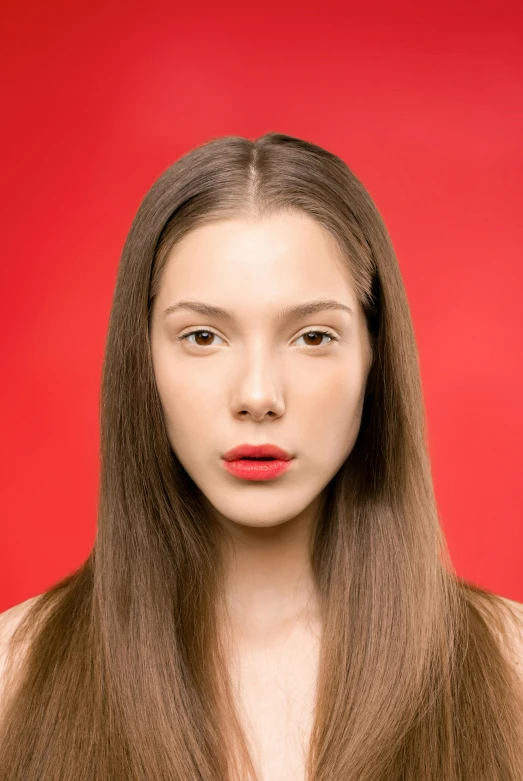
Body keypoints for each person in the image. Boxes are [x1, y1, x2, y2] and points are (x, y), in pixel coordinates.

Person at [0, 132, 522, 781]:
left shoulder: (511, 667)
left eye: (311, 336)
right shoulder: (11, 673)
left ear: (372, 356)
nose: (257, 395)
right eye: (202, 335)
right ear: (144, 360)